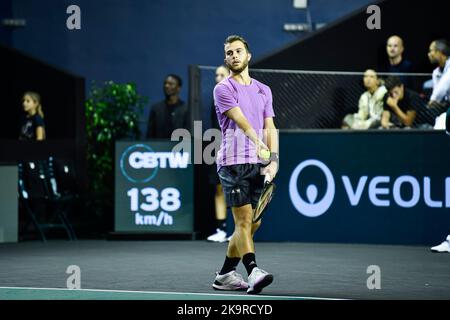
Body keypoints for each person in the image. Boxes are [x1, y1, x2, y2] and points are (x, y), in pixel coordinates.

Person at [212, 35, 279, 294]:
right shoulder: (223, 89)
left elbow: (270, 127)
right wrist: (258, 143)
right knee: (243, 222)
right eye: (229, 53)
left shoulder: (264, 90)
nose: (234, 56)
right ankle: (253, 271)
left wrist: (273, 159)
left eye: (238, 51)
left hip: (257, 163)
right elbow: (242, 121)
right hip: (233, 163)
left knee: (253, 224)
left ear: (248, 55)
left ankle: (226, 274)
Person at [427, 39, 450, 253]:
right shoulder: (436, 72)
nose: (428, 54)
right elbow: (436, 99)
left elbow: (439, 95)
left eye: (431, 51)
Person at [207, 65, 231, 243]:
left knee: (237, 189)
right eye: (216, 75)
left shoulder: (237, 95)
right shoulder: (214, 98)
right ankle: (221, 229)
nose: (217, 77)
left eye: (221, 74)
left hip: (235, 146)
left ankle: (236, 229)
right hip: (217, 146)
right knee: (218, 188)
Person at [146, 74, 189, 138]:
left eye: (171, 84)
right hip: (158, 147)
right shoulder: (156, 108)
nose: (166, 86)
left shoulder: (186, 109)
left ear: (178, 88)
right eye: (165, 83)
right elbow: (150, 135)